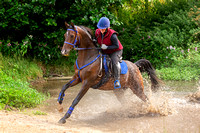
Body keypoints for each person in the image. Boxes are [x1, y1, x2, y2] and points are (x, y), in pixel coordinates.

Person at [95, 17, 123, 89]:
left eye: (103, 28)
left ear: (107, 28)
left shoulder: (112, 35)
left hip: (116, 50)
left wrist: (107, 47)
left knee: (114, 61)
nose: (101, 30)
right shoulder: (97, 32)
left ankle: (117, 80)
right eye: (100, 28)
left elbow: (116, 45)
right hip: (105, 50)